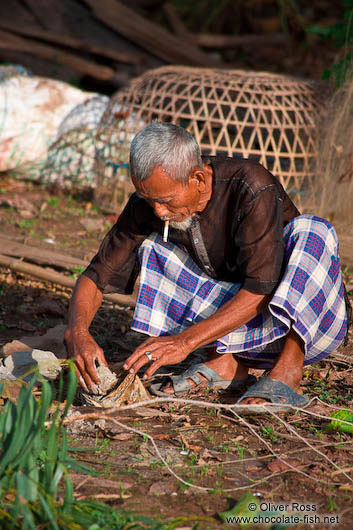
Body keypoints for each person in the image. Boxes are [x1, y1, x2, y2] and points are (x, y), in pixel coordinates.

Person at [65, 122, 350, 411]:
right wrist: (77, 333)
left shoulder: (250, 185)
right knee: (154, 247)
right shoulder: (149, 206)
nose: (158, 212)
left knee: (313, 231)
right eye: (150, 200)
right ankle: (223, 363)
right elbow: (95, 276)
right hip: (235, 335)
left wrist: (184, 343)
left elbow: (260, 291)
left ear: (198, 179)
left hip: (305, 324)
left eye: (164, 201)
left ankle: (288, 370)